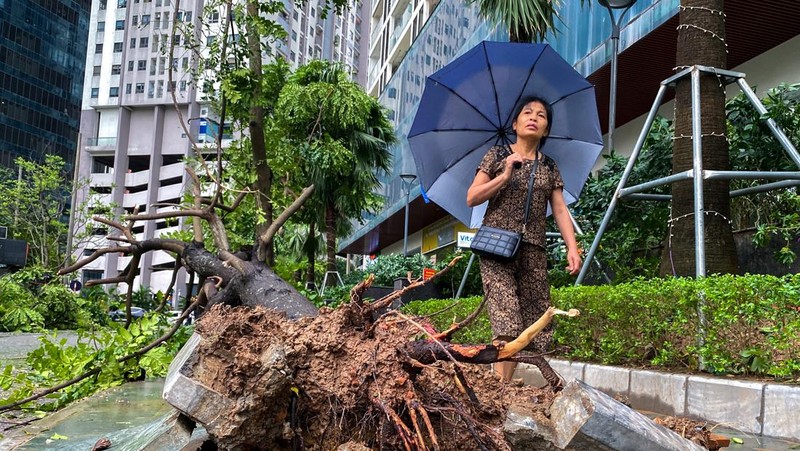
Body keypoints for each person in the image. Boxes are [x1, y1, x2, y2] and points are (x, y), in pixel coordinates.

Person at [466, 96, 582, 383]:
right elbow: (472, 197)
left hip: (532, 249)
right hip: (496, 247)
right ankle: (500, 390)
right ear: (515, 124)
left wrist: (572, 246)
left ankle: (499, 385)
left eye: (541, 115)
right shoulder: (497, 155)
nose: (534, 117)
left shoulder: (549, 166)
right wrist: (504, 174)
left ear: (545, 130)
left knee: (533, 322)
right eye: (527, 113)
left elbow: (559, 208)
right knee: (506, 319)